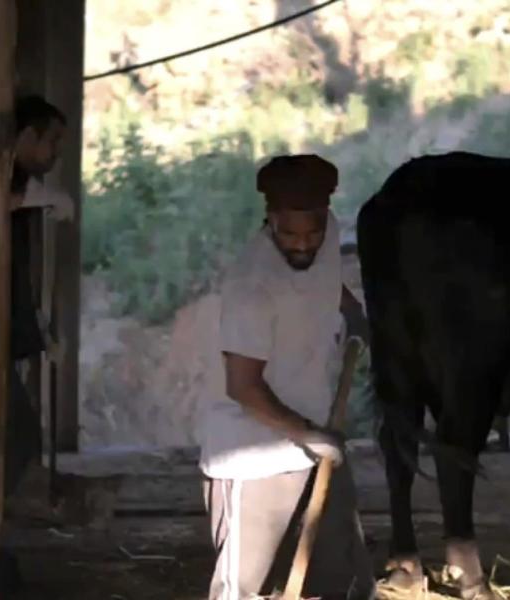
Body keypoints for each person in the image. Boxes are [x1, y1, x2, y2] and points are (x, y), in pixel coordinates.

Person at [197, 154, 375, 600]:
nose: (303, 244)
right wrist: (308, 436)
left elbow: (326, 278)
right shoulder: (253, 286)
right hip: (254, 457)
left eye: (312, 231)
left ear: (327, 216)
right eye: (290, 233)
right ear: (270, 218)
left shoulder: (325, 237)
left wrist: (354, 317)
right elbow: (243, 386)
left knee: (343, 583)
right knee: (244, 591)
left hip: (316, 442)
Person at [0, 94, 71, 595]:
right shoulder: (0, 181)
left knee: (18, 436)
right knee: (19, 435)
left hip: (0, 336)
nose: (54, 154)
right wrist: (41, 199)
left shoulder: (19, 186)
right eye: (50, 142)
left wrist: (39, 329)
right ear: (26, 137)